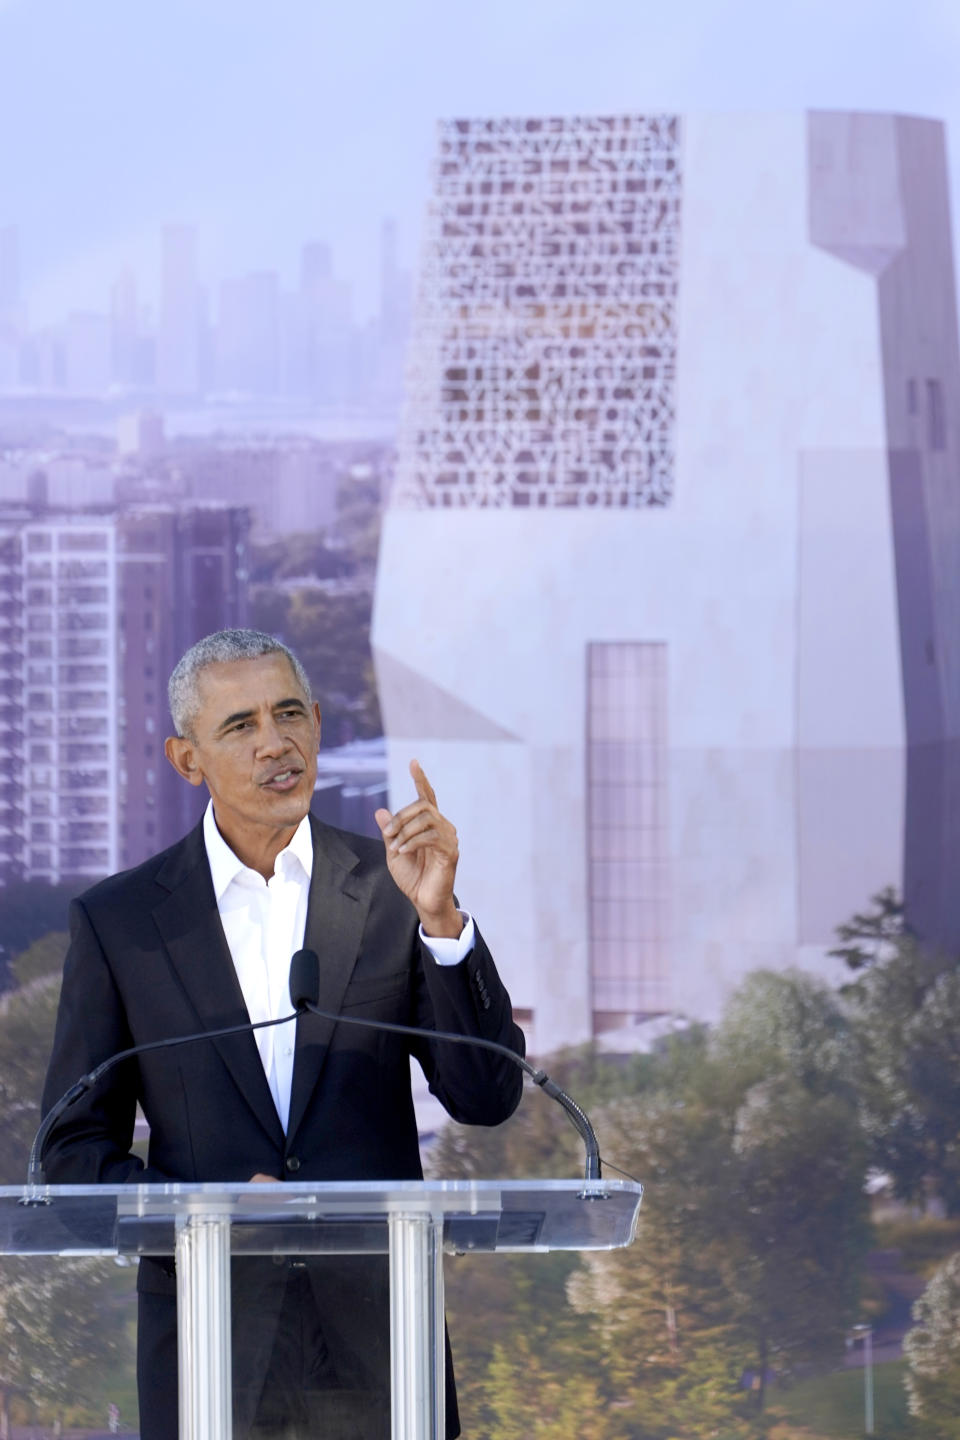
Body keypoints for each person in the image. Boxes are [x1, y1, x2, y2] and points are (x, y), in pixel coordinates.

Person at [41, 628, 525, 1439]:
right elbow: (69, 1157)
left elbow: (486, 1096)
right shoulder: (121, 923)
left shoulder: (389, 889)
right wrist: (207, 1211)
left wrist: (440, 918)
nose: (276, 744)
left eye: (290, 715)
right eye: (241, 726)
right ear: (186, 759)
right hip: (210, 1341)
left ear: (320, 727)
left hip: (381, 1338)